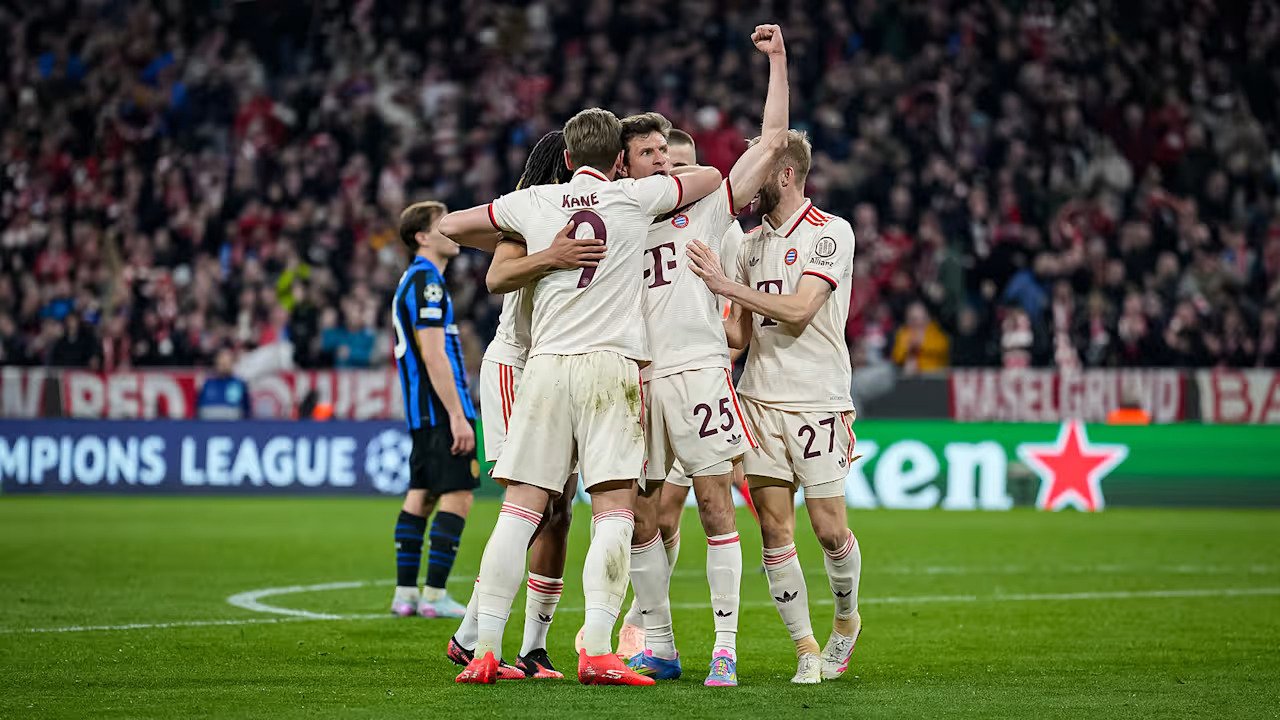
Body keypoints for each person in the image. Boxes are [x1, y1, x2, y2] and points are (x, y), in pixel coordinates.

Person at [438, 107, 722, 685]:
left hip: (544, 368)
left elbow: (451, 225)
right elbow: (712, 177)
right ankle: (595, 649)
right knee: (614, 511)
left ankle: (485, 648)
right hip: (609, 368)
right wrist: (656, 174)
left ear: (567, 158)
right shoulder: (633, 198)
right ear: (618, 159)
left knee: (520, 511)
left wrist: (538, 243)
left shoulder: (534, 202)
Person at [614, 23, 790, 688]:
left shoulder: (709, 206)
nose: (663, 160)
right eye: (649, 152)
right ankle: (658, 644)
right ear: (625, 164)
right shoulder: (614, 215)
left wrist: (778, 61)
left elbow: (771, 142)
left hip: (698, 371)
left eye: (667, 150)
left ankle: (725, 648)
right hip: (635, 378)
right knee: (640, 516)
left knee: (715, 504)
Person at [687, 129, 863, 685]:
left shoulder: (831, 232)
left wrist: (724, 285)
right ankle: (806, 648)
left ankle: (846, 619)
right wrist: (690, 320)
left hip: (818, 400)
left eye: (760, 168)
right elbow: (740, 335)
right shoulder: (746, 244)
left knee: (829, 529)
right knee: (774, 530)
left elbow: (800, 310)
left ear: (785, 174)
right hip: (759, 400)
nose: (748, 180)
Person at [446, 130, 590, 681]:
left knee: (560, 511)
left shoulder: (599, 217)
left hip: (564, 371)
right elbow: (491, 271)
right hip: (519, 366)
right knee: (530, 505)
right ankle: (471, 636)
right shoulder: (526, 217)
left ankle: (534, 648)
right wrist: (547, 252)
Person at [388, 201, 478, 621]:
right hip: (439, 409)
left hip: (420, 411)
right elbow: (433, 353)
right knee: (458, 495)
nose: (452, 229)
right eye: (442, 225)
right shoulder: (428, 283)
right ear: (422, 237)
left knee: (422, 495)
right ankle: (435, 595)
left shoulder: (413, 279)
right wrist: (457, 414)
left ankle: (405, 594)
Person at [195, 347, 251, 420]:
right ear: (216, 362)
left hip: (233, 424)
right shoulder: (206, 383)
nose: (224, 365)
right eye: (221, 361)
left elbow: (247, 411)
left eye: (227, 362)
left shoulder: (240, 384)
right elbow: (198, 410)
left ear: (233, 363)